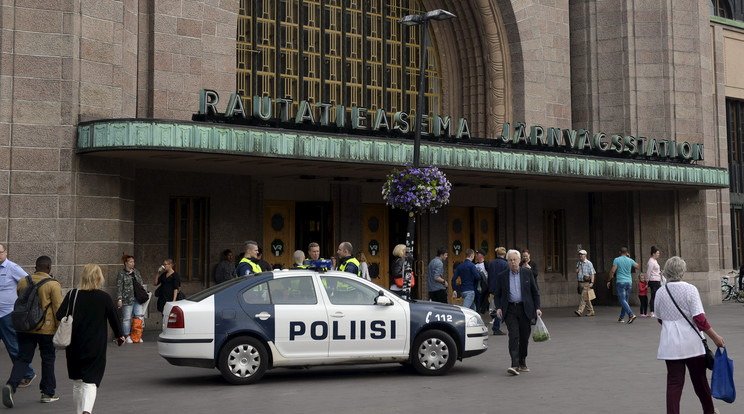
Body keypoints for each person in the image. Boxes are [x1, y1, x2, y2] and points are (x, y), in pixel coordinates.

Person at [654, 256, 725, 414]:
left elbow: (660, 318)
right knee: (700, 381)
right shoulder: (690, 289)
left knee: (674, 383)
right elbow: (699, 319)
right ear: (683, 273)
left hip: (670, 344)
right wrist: (715, 337)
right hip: (692, 343)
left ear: (667, 272)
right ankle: (709, 411)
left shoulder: (660, 292)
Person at [57, 264, 124, 414]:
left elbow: (59, 315)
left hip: (74, 344)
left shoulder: (72, 295)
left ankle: (79, 411)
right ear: (99, 278)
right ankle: (87, 411)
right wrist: (120, 336)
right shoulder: (104, 297)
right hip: (95, 345)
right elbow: (114, 319)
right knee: (90, 382)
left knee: (77, 382)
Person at [2, 256, 63, 407]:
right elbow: (58, 309)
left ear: (36, 267)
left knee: (23, 358)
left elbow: (21, 299)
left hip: (25, 327)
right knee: (48, 359)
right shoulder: (53, 285)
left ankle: (11, 385)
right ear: (48, 267)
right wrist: (61, 329)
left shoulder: (24, 281)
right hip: (46, 329)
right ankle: (48, 393)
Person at [494, 250, 542, 376]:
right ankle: (514, 364)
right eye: (510, 260)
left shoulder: (527, 273)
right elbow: (497, 294)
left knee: (524, 337)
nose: (513, 262)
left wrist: (537, 308)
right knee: (514, 336)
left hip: (525, 309)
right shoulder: (502, 276)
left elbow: (535, 292)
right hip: (510, 309)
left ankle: (522, 361)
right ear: (507, 262)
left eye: (515, 260)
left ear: (520, 260)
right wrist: (498, 308)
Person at [0, 244, 36, 388]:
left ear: (6, 252)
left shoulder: (12, 268)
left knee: (13, 346)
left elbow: (29, 284)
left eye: (0, 252)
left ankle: (28, 373)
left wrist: (21, 304)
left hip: (7, 315)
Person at [115, 254, 145, 343]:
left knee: (138, 317)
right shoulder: (121, 274)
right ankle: (127, 335)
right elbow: (119, 287)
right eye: (130, 262)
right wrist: (119, 299)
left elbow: (140, 283)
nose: (132, 263)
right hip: (127, 299)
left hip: (137, 298)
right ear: (126, 263)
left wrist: (134, 276)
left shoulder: (136, 272)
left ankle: (137, 335)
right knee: (127, 318)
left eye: (133, 262)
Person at [607, 247, 640, 323]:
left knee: (622, 299)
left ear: (619, 252)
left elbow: (612, 271)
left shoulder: (617, 260)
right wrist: (630, 258)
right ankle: (621, 317)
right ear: (627, 252)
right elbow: (637, 266)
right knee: (625, 300)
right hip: (629, 282)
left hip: (621, 282)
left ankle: (631, 314)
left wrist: (608, 280)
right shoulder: (630, 260)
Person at [487, 247, 508, 335]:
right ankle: (496, 328)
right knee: (500, 308)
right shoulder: (505, 264)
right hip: (502, 288)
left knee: (495, 306)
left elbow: (489, 276)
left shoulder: (491, 263)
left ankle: (495, 322)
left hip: (493, 288)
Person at [574, 249, 596, 317]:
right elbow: (577, 271)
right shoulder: (579, 263)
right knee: (586, 298)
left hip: (586, 283)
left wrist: (592, 282)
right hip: (580, 283)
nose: (580, 256)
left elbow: (592, 273)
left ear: (585, 255)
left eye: (582, 254)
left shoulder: (589, 263)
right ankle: (591, 311)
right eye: (580, 254)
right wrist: (577, 271)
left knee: (583, 297)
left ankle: (579, 311)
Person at [647, 246, 662, 317]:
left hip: (657, 279)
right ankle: (652, 312)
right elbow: (648, 272)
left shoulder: (655, 261)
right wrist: (647, 281)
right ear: (653, 254)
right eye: (657, 253)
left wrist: (660, 272)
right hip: (653, 280)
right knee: (653, 296)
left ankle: (655, 311)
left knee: (657, 296)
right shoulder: (651, 261)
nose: (658, 254)